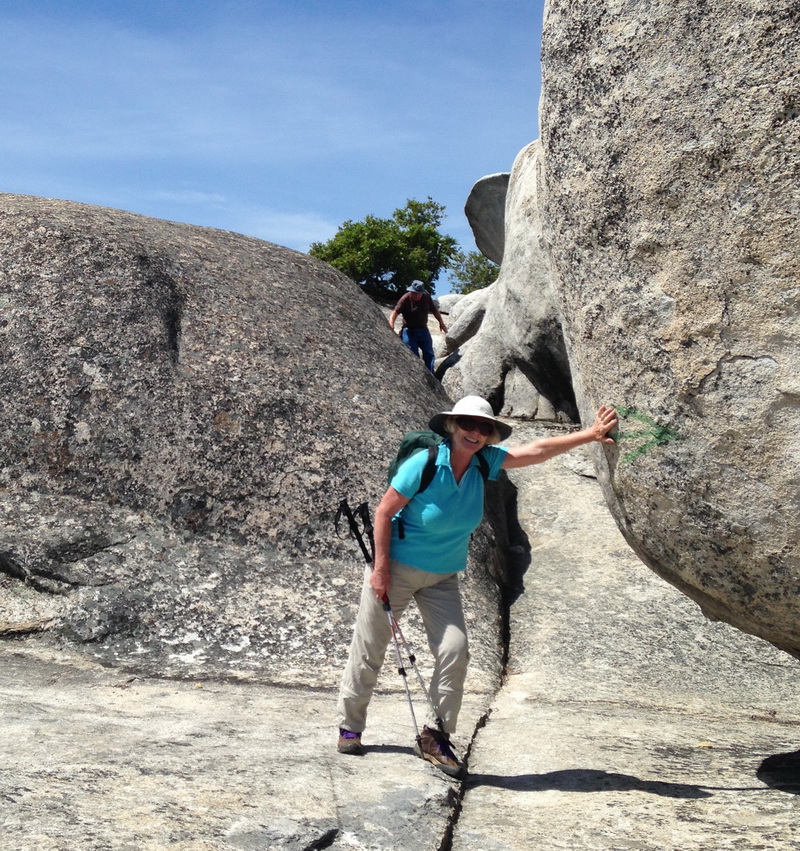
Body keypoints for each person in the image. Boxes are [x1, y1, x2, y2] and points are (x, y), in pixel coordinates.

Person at [336, 395, 618, 777]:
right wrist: (381, 570)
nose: (476, 432)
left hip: (442, 576)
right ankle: (350, 727)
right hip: (398, 569)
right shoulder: (425, 463)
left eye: (485, 428)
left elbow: (535, 451)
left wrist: (590, 435)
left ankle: (436, 735)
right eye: (468, 424)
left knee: (456, 650)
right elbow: (384, 512)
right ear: (452, 426)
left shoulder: (484, 463)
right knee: (370, 647)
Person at [388, 280, 448, 373]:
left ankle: (431, 376)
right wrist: (391, 323)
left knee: (429, 354)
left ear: (422, 293)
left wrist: (441, 322)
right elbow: (395, 311)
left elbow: (434, 310)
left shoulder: (426, 297)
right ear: (411, 291)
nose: (416, 295)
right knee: (412, 354)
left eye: (418, 294)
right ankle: (415, 375)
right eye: (414, 293)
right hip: (409, 330)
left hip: (423, 329)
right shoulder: (405, 298)